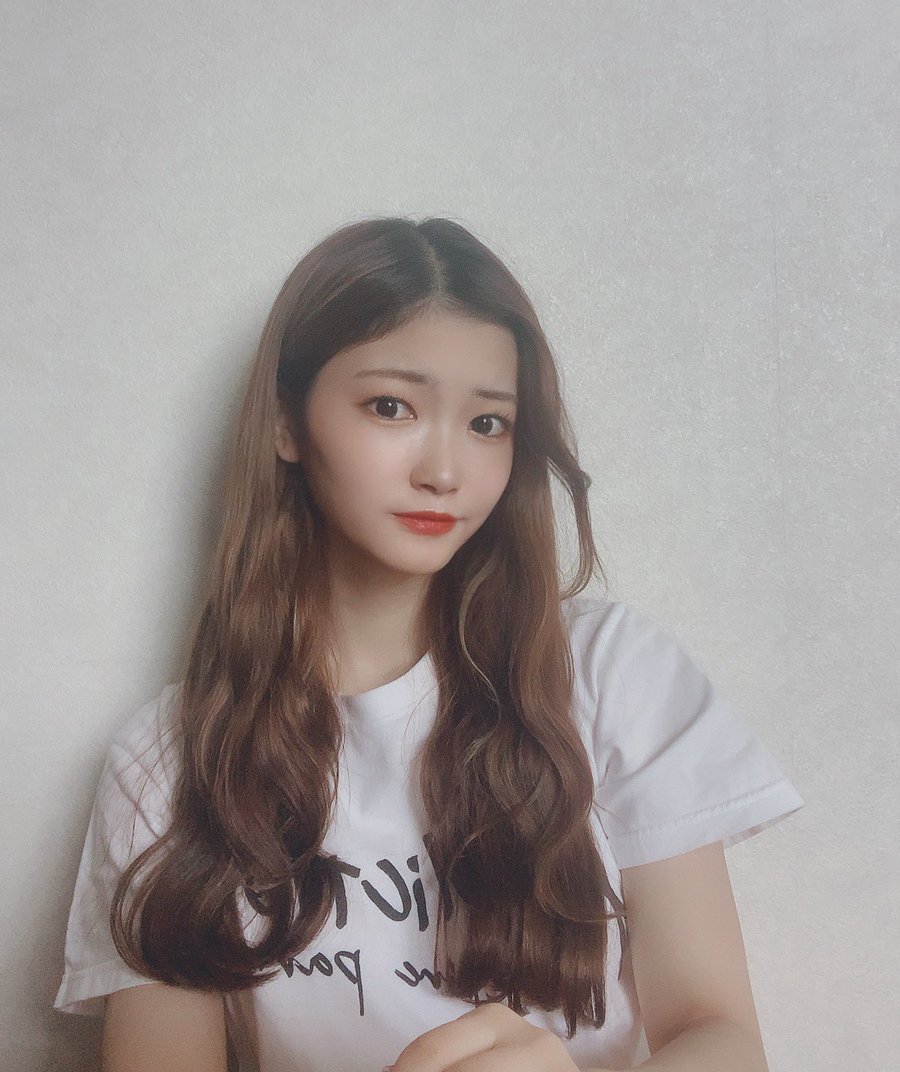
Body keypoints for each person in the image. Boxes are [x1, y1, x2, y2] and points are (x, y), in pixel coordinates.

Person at [54, 216, 804, 1072]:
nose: (444, 471)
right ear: (286, 423)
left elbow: (719, 1033)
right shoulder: (167, 761)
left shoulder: (610, 674)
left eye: (487, 423)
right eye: (391, 407)